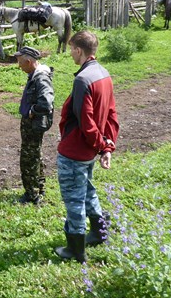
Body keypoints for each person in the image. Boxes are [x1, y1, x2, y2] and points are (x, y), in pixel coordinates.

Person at [55, 30, 119, 263]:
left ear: (79, 51)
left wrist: (101, 144)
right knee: (88, 190)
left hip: (75, 151)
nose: (71, 53)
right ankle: (99, 232)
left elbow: (86, 121)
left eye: (72, 49)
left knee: (74, 199)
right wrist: (106, 146)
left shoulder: (82, 80)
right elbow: (111, 114)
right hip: (90, 151)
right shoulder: (103, 74)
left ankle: (75, 249)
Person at [14, 46, 54, 205]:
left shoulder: (40, 78)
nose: (19, 66)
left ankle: (32, 195)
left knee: (28, 159)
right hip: (32, 124)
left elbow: (46, 102)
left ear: (29, 62)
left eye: (20, 63)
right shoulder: (34, 75)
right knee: (35, 155)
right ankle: (39, 187)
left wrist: (33, 110)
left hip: (33, 124)